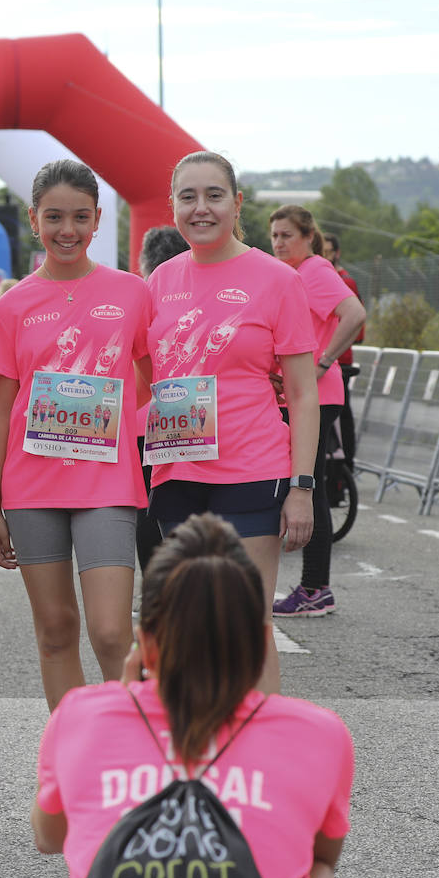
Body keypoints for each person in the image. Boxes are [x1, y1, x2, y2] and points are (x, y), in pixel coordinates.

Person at [32, 513, 354, 878]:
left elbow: (49, 838)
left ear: (145, 644)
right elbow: (321, 854)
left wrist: (119, 701)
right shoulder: (318, 734)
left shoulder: (79, 716)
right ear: (258, 641)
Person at [143, 151, 319, 694]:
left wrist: (302, 488)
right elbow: (142, 375)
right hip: (176, 475)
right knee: (190, 626)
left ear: (236, 203)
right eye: (188, 197)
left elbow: (303, 391)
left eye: (214, 196)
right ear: (172, 205)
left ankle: (258, 760)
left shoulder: (276, 279)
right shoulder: (160, 281)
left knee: (248, 624)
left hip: (251, 472)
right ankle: (199, 756)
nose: (202, 208)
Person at [0, 160, 152, 711]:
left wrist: (131, 428)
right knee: (55, 631)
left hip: (106, 485)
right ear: (34, 219)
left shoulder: (131, 293)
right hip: (31, 488)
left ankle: (137, 759)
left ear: (98, 220)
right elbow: (1, 409)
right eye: (54, 217)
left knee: (110, 633)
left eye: (80, 217)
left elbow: (157, 377)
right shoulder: (12, 304)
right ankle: (76, 763)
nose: (67, 230)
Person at [268, 207, 367, 618]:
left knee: (312, 489)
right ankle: (313, 588)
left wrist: (323, 363)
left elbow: (356, 314)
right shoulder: (294, 274)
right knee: (307, 486)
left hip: (317, 395)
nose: (278, 243)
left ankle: (314, 588)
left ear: (309, 237)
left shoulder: (314, 269)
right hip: (300, 393)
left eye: (286, 235)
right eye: (273, 235)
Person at [135, 227, 190, 574]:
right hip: (186, 416)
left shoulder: (143, 293)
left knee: (146, 508)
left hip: (143, 415)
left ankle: (154, 588)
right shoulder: (189, 295)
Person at [321, 233, 363, 470]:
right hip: (327, 358)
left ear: (336, 253)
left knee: (342, 414)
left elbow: (356, 322)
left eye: (328, 252)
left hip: (339, 359)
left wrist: (328, 355)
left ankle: (345, 462)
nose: (324, 256)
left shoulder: (342, 281)